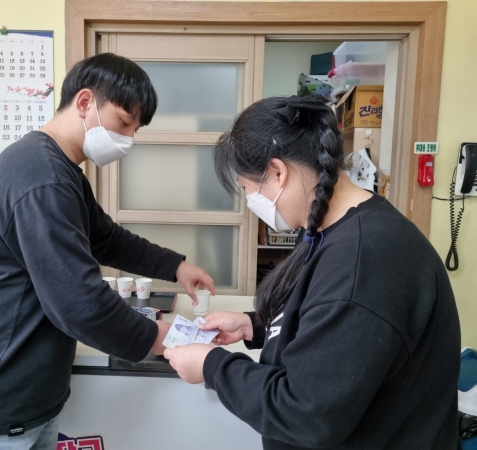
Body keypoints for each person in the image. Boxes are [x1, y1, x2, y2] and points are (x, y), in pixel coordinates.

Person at [0, 53, 214, 449]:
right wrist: (166, 338)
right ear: (85, 102)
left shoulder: (57, 169)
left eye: (135, 130)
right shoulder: (43, 177)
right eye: (124, 123)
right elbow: (80, 304)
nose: (128, 139)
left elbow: (105, 238)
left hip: (25, 401)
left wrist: (175, 266)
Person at [164, 96, 461, 449]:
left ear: (278, 172)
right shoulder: (331, 231)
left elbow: (306, 412)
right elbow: (329, 326)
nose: (251, 203)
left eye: (247, 190)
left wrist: (212, 366)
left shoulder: (366, 262)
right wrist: (253, 326)